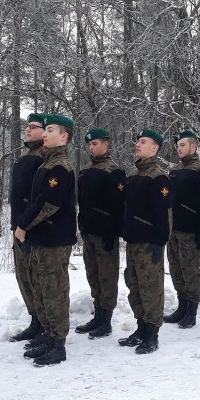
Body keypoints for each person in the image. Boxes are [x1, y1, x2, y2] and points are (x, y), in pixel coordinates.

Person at [15, 114, 77, 366]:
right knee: (41, 288)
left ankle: (58, 343)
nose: (45, 134)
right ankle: (49, 335)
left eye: (50, 130)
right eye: (46, 130)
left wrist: (23, 224)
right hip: (42, 236)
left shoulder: (60, 166)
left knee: (54, 290)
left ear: (64, 136)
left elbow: (48, 203)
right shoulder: (46, 163)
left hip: (54, 237)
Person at [119, 129, 172, 354]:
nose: (138, 144)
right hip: (133, 240)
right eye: (138, 141)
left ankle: (152, 332)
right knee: (135, 285)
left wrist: (161, 241)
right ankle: (141, 327)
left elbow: (164, 212)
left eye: (143, 142)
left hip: (149, 242)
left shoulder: (158, 176)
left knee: (151, 287)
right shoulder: (133, 174)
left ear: (155, 148)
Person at [75, 128, 125, 338]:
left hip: (106, 235)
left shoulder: (114, 171)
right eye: (89, 144)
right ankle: (98, 314)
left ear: (106, 145)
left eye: (95, 143)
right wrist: (82, 225)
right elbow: (82, 202)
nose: (91, 147)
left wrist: (112, 232)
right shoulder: (86, 172)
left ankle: (107, 320)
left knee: (107, 276)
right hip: (89, 233)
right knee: (93, 275)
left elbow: (120, 206)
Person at [164, 129, 200, 329]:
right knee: (176, 268)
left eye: (182, 145)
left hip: (190, 229)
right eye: (177, 146)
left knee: (190, 270)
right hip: (173, 229)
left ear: (193, 147)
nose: (179, 149)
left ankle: (191, 311)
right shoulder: (175, 170)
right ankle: (182, 306)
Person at [8, 113, 46, 343]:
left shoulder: (43, 158)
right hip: (18, 226)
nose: (28, 129)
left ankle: (44, 322)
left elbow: (41, 198)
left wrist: (28, 225)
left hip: (32, 228)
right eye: (27, 126)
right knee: (23, 277)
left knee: (36, 278)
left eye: (34, 126)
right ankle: (35, 319)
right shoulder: (25, 157)